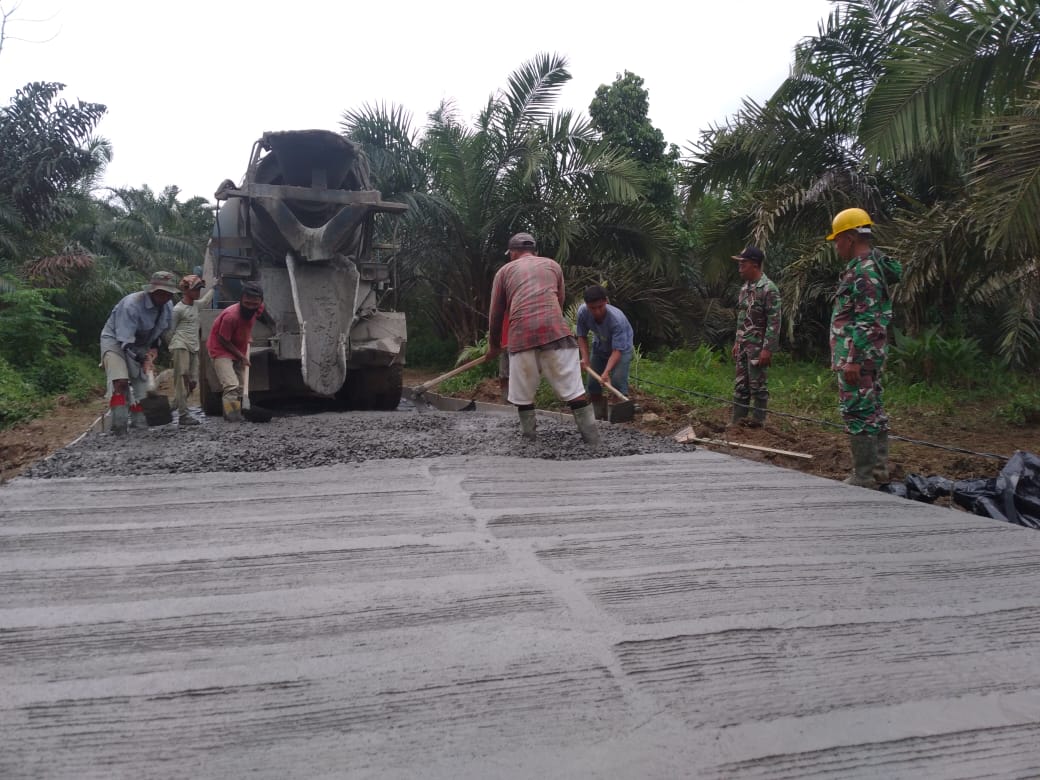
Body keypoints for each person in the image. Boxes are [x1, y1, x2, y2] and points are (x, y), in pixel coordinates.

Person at [486, 232, 599, 446]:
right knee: (575, 392)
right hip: (556, 333)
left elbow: (496, 314)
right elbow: (559, 300)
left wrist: (493, 347)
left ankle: (529, 441)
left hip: (521, 337)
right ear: (534, 251)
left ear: (512, 253)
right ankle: (593, 441)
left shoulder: (504, 272)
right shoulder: (552, 265)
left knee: (523, 396)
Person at [827, 208, 903, 487]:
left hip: (858, 357)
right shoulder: (870, 267)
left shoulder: (864, 272)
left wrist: (853, 360)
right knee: (873, 411)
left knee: (858, 411)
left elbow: (867, 319)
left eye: (837, 240)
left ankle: (864, 475)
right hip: (867, 355)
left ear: (849, 237)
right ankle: (878, 471)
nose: (836, 246)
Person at [99, 270, 179, 434]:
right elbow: (125, 341)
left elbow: (160, 332)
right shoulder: (132, 304)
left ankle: (139, 426)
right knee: (120, 381)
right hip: (116, 340)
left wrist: (153, 351)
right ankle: (119, 427)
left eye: (168, 294)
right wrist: (142, 359)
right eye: (161, 293)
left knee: (142, 388)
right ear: (152, 290)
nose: (164, 298)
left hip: (142, 343)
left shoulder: (168, 307)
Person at [729, 246, 781, 428]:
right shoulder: (745, 289)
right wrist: (737, 341)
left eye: (743, 263)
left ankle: (759, 425)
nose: (740, 267)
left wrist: (767, 349)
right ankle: (738, 424)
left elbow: (774, 322)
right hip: (744, 345)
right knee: (740, 385)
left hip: (758, 347)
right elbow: (742, 317)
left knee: (758, 387)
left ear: (754, 265)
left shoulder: (768, 289)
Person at [205, 281, 265, 423]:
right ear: (241, 299)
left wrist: (246, 335)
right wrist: (241, 356)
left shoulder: (258, 309)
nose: (250, 307)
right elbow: (223, 339)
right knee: (231, 386)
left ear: (260, 302)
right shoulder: (231, 316)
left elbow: (249, 322)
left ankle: (237, 413)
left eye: (254, 304)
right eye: (247, 303)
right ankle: (232, 419)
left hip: (239, 347)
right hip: (220, 348)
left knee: (240, 387)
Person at [575, 284, 635, 421]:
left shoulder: (617, 320)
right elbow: (582, 336)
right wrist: (585, 358)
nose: (596, 312)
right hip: (600, 345)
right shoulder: (583, 312)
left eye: (600, 307)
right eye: (592, 308)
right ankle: (598, 416)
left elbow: (617, 350)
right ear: (586, 305)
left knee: (617, 382)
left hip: (621, 349)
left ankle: (618, 418)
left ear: (606, 302)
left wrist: (606, 372)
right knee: (593, 384)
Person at [166, 274, 214, 427]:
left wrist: (215, 287)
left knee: (193, 382)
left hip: (193, 347)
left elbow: (206, 301)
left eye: (200, 289)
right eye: (196, 289)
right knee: (181, 379)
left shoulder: (195, 305)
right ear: (186, 291)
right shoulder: (177, 310)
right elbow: (170, 331)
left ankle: (173, 406)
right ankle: (183, 415)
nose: (198, 293)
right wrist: (172, 348)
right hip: (180, 345)